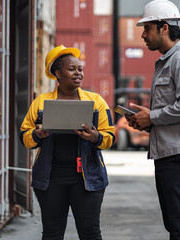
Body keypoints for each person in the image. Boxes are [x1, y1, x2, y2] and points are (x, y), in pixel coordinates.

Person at [126, 1, 180, 239]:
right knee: (174, 223)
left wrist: (152, 117)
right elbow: (175, 105)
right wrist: (146, 117)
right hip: (169, 153)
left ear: (164, 28)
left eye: (147, 28)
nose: (143, 35)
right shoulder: (167, 62)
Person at [20, 45, 115, 240]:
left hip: (87, 179)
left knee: (90, 233)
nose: (78, 73)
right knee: (52, 234)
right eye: (72, 69)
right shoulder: (40, 103)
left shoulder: (96, 101)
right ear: (58, 73)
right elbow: (25, 138)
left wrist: (95, 137)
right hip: (50, 179)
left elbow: (110, 137)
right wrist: (37, 135)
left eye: (80, 69)